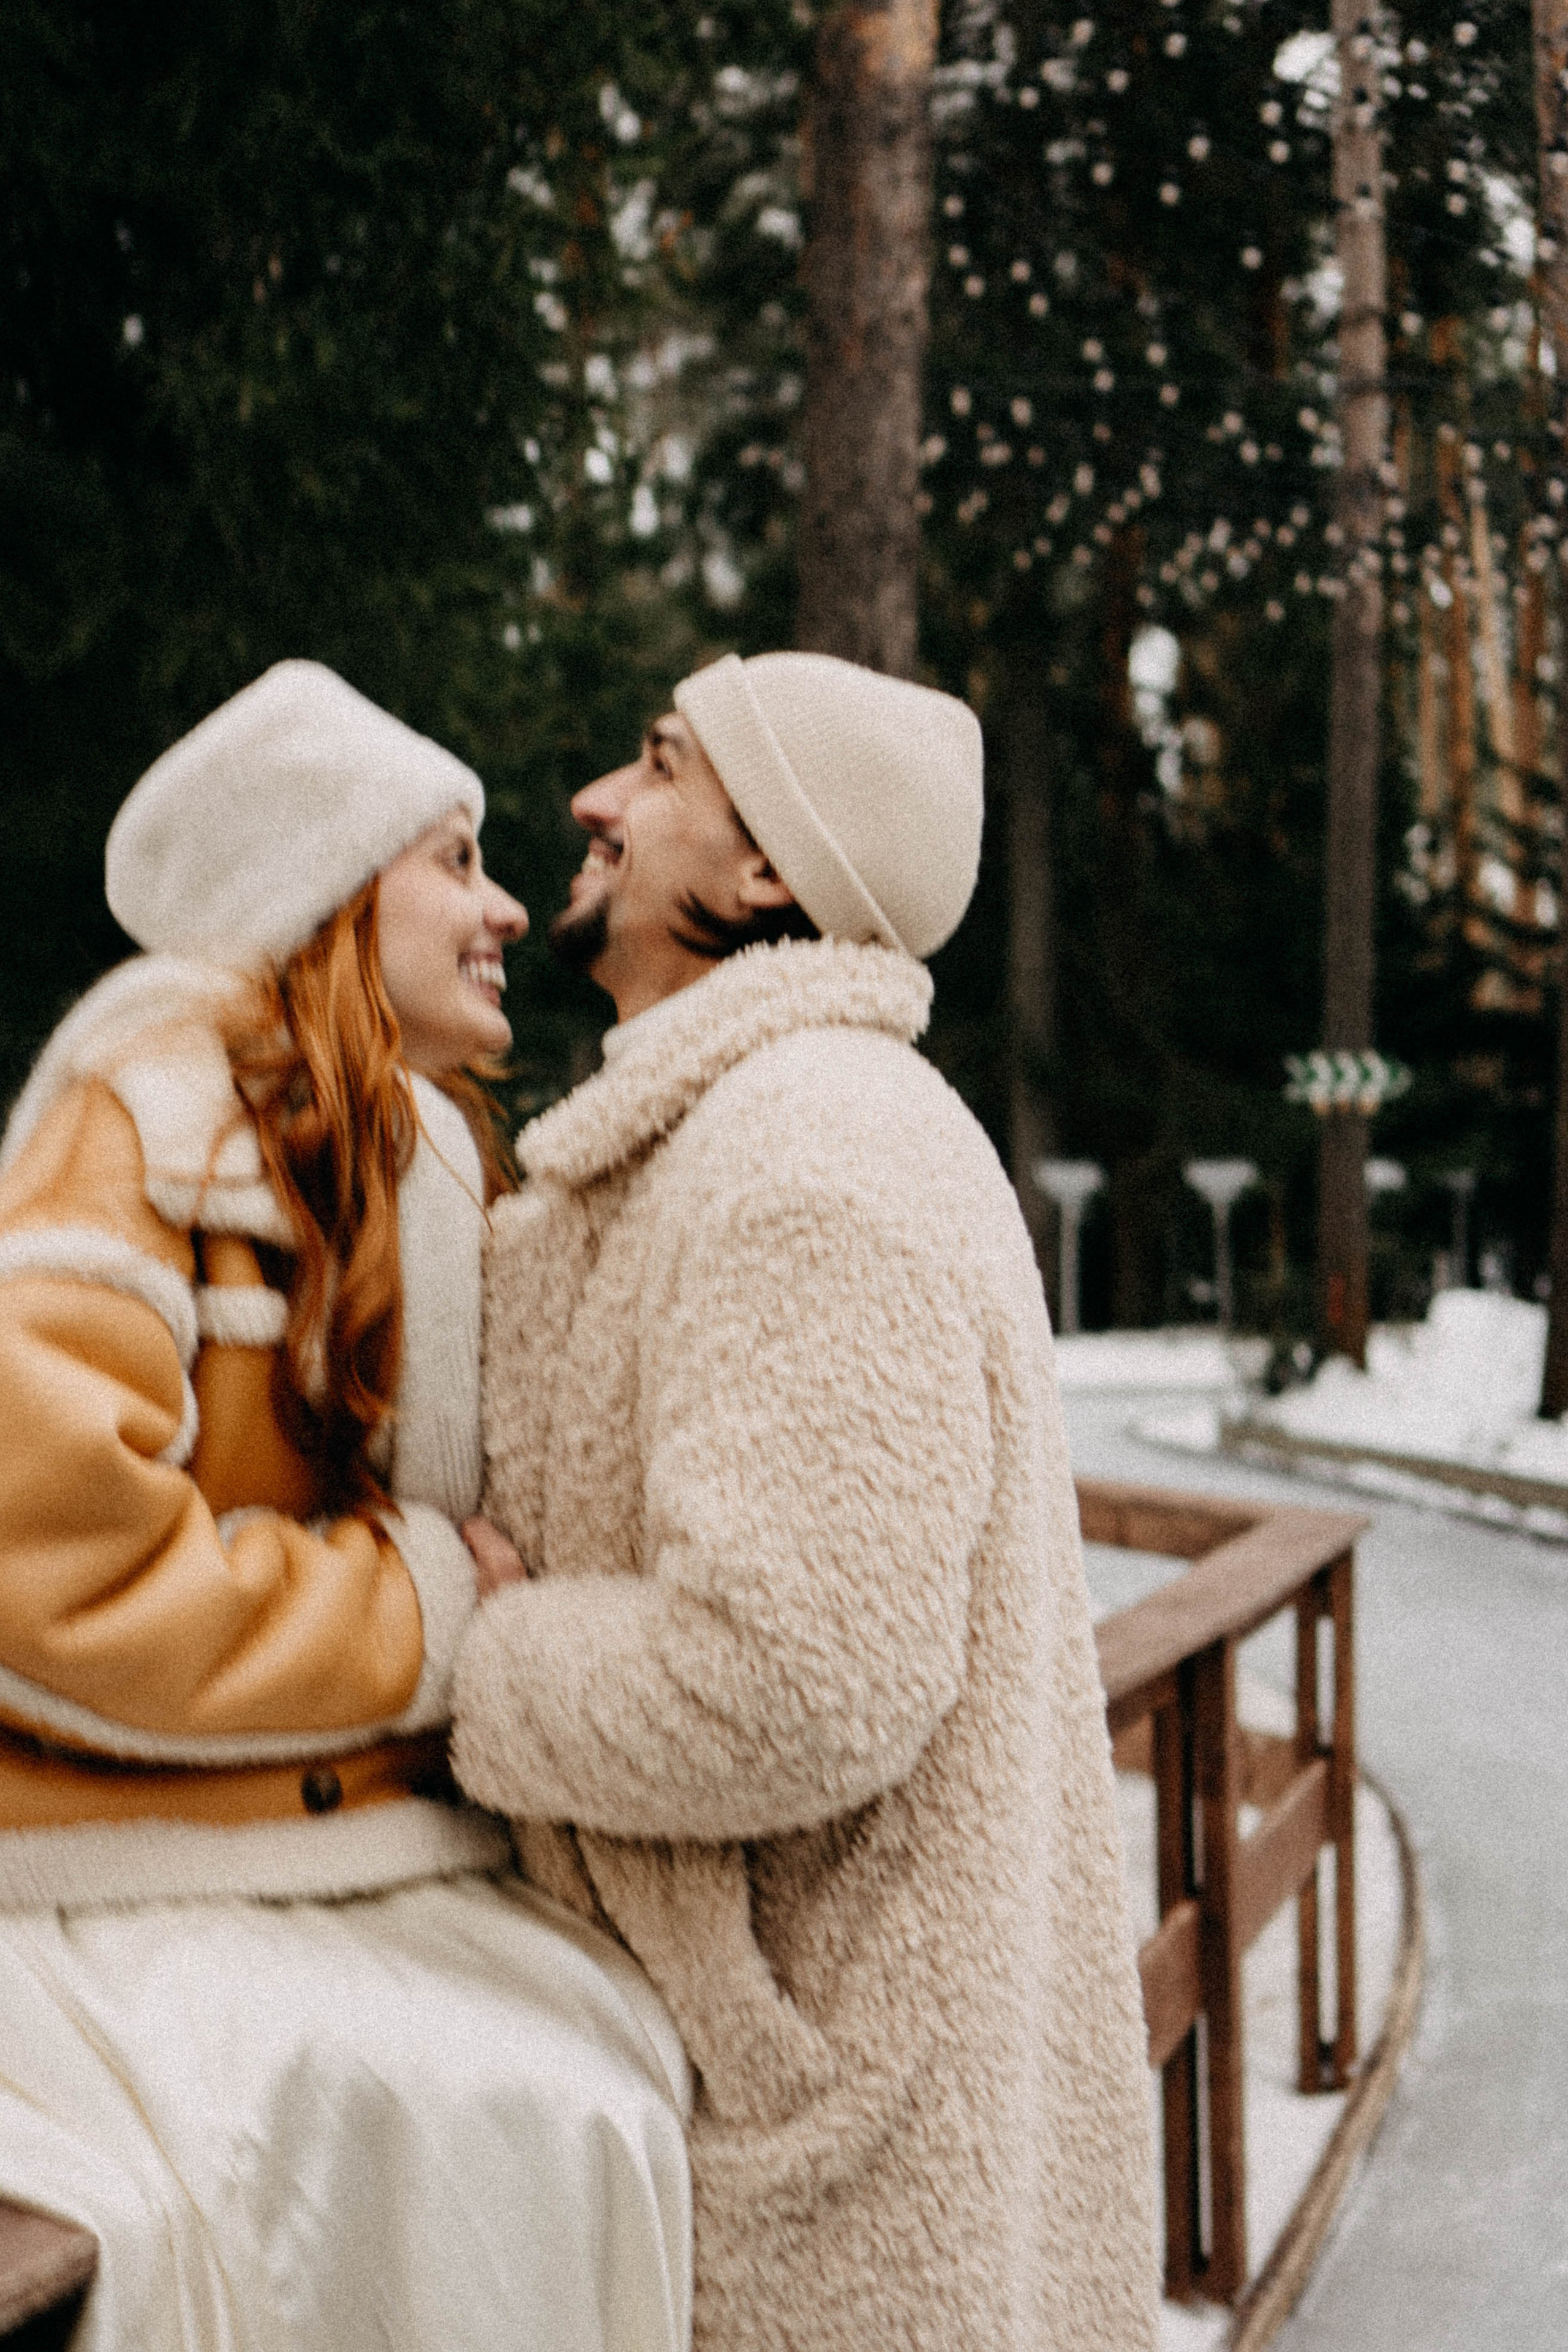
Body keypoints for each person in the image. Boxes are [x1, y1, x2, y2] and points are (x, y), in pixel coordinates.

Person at [454, 650, 1161, 2352]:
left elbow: (797, 1680)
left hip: (845, 2206)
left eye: (659, 766)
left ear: (768, 865)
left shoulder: (815, 1153)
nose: (596, 803)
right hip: (779, 2134)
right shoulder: (738, 1135)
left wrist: (472, 1644)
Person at [0, 661, 692, 2352]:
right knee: (507, 2115)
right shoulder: (141, 1133)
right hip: (116, 1870)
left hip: (327, 1849)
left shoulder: (416, 1167)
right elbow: (44, 1568)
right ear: (314, 890)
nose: (508, 908)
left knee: (612, 2082)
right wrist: (429, 1608)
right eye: (455, 860)